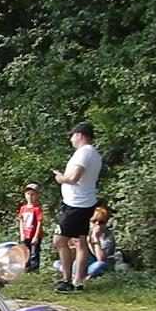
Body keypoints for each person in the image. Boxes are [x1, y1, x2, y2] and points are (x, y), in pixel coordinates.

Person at [53, 121, 102, 293]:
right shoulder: (95, 154)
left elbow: (74, 178)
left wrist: (60, 178)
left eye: (72, 135)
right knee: (81, 242)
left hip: (75, 204)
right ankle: (77, 281)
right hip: (87, 202)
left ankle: (66, 280)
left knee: (59, 240)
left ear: (80, 135)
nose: (71, 139)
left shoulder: (83, 153)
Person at [53, 206, 117, 279]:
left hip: (95, 265)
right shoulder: (82, 233)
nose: (97, 224)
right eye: (94, 221)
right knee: (57, 263)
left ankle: (82, 276)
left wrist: (95, 239)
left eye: (101, 222)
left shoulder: (107, 237)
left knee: (99, 265)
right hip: (80, 264)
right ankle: (76, 275)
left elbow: (101, 259)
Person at [17, 183, 44, 272]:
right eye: (28, 194)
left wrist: (36, 236)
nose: (30, 197)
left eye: (33, 194)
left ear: (37, 196)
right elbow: (21, 221)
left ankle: (34, 270)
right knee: (25, 252)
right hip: (25, 234)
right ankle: (26, 268)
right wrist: (22, 234)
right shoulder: (23, 208)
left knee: (34, 253)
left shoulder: (37, 209)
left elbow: (40, 222)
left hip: (34, 234)